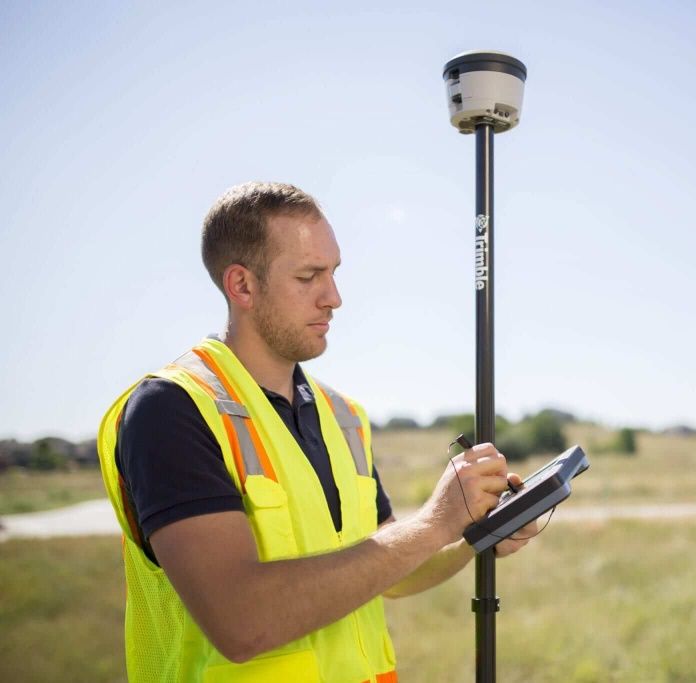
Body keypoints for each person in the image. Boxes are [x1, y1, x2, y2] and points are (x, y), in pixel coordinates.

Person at [96, 181, 536, 683]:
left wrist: (475, 536)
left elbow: (390, 569)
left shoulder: (342, 417)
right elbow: (240, 621)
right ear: (241, 286)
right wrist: (437, 522)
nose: (334, 298)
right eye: (309, 276)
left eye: (334, 273)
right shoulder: (171, 410)